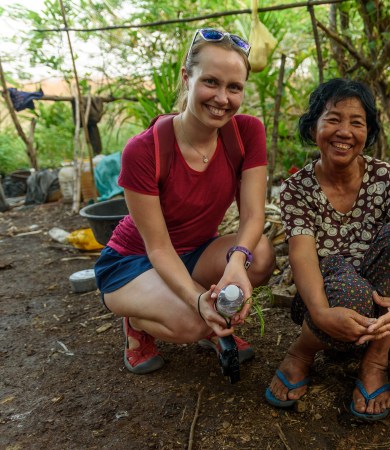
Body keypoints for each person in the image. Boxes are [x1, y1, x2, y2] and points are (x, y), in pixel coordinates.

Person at [94, 28, 275, 375]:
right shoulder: (145, 149)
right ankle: (138, 322)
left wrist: (237, 264)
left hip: (195, 251)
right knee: (193, 324)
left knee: (261, 254)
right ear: (186, 78)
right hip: (135, 261)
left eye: (234, 87)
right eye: (211, 82)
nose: (222, 98)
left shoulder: (247, 133)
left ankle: (203, 313)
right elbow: (159, 248)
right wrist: (198, 300)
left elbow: (253, 214)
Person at [265, 79, 390, 421]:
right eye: (332, 119)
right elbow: (302, 256)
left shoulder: (387, 177)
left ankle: (375, 361)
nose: (344, 131)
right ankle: (301, 353)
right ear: (313, 126)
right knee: (350, 291)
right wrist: (320, 313)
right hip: (326, 294)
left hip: (384, 302)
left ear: (368, 132)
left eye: (356, 122)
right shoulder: (296, 189)